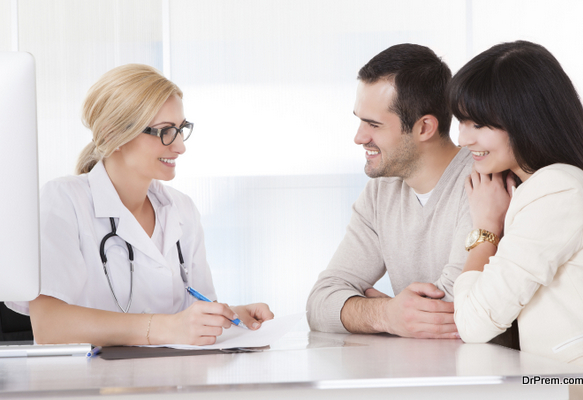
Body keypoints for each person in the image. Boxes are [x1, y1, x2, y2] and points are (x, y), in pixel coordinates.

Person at [7, 64, 273, 346]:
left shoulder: (182, 210)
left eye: (181, 129)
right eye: (165, 131)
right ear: (113, 135)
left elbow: (188, 318)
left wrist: (230, 318)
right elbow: (50, 326)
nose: (180, 146)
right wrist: (165, 328)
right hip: (89, 385)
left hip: (175, 384)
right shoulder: (63, 201)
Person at [449, 41, 583, 372]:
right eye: (461, 122)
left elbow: (473, 323)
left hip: (576, 386)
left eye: (477, 124)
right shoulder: (528, 188)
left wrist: (486, 230)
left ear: (526, 119)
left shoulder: (558, 189)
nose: (462, 139)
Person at [306, 44, 473, 339]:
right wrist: (386, 314)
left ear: (424, 128)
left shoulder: (481, 184)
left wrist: (382, 313)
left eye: (373, 124)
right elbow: (320, 303)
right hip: (416, 372)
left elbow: (454, 311)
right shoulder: (380, 192)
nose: (359, 137)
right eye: (359, 120)